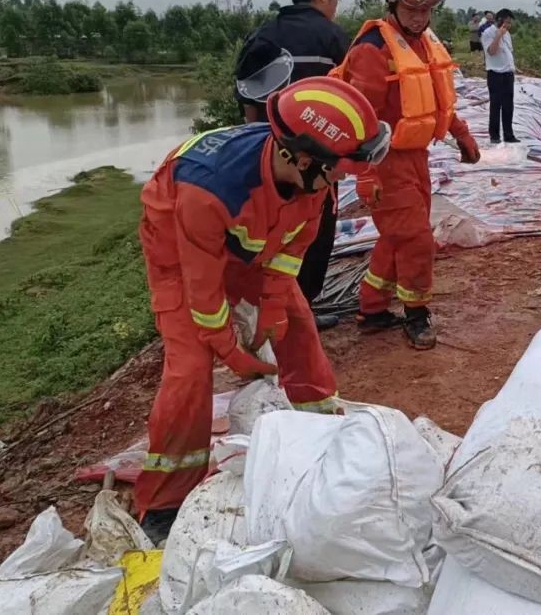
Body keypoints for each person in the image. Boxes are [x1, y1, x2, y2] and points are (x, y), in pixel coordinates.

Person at [134, 76, 390, 544]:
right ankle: (164, 503)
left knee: (297, 325)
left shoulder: (313, 182)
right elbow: (203, 290)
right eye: (341, 168)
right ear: (304, 158)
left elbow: (290, 252)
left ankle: (320, 431)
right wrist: (232, 353)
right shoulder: (208, 189)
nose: (344, 179)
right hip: (179, 246)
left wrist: (272, 305)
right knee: (190, 370)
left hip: (247, 243)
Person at [333, 0, 481, 348]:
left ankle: (373, 306)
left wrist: (462, 134)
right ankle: (416, 314)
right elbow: (359, 116)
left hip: (416, 157)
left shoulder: (425, 43)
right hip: (383, 160)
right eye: (411, 6)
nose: (419, 15)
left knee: (396, 236)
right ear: (393, 1)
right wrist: (366, 173)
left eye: (428, 7)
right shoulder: (372, 49)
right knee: (416, 238)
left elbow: (435, 98)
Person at [233, 0, 351, 330]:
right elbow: (351, 103)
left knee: (270, 234)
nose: (335, 4)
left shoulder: (263, 35)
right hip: (319, 163)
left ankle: (265, 312)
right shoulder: (334, 39)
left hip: (269, 160)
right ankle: (301, 312)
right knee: (314, 235)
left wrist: (257, 151)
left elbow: (248, 103)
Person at [481, 8, 521, 143]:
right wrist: (498, 35)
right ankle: (495, 136)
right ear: (499, 21)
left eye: (510, 23)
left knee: (508, 105)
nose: (509, 25)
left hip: (508, 74)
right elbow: (491, 52)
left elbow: (508, 52)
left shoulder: (508, 34)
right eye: (507, 22)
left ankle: (508, 135)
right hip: (495, 74)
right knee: (495, 105)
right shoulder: (487, 33)